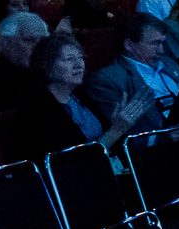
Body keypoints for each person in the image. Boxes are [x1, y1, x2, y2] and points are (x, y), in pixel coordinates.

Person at [17, 33, 152, 160]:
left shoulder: (81, 96)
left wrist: (116, 126)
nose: (79, 64)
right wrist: (115, 130)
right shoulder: (37, 110)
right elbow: (73, 161)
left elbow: (108, 145)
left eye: (81, 57)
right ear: (46, 65)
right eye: (69, 59)